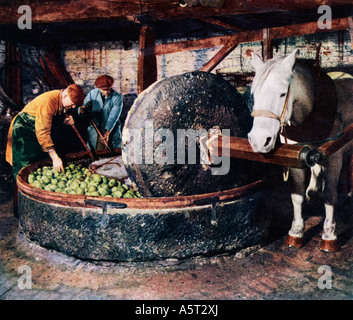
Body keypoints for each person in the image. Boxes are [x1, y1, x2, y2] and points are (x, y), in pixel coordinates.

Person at [6, 84, 85, 180]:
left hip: (36, 129)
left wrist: (68, 115)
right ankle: (20, 190)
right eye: (72, 104)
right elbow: (43, 131)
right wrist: (55, 158)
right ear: (65, 96)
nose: (73, 107)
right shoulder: (48, 101)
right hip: (24, 129)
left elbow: (61, 110)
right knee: (25, 163)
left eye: (74, 106)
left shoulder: (61, 97)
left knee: (38, 160)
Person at [80, 75, 123, 150]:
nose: (107, 92)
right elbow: (85, 105)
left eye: (109, 89)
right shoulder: (93, 93)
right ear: (99, 88)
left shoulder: (117, 97)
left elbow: (113, 116)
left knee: (112, 150)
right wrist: (82, 109)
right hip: (94, 128)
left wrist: (107, 133)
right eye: (104, 90)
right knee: (93, 149)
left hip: (110, 129)